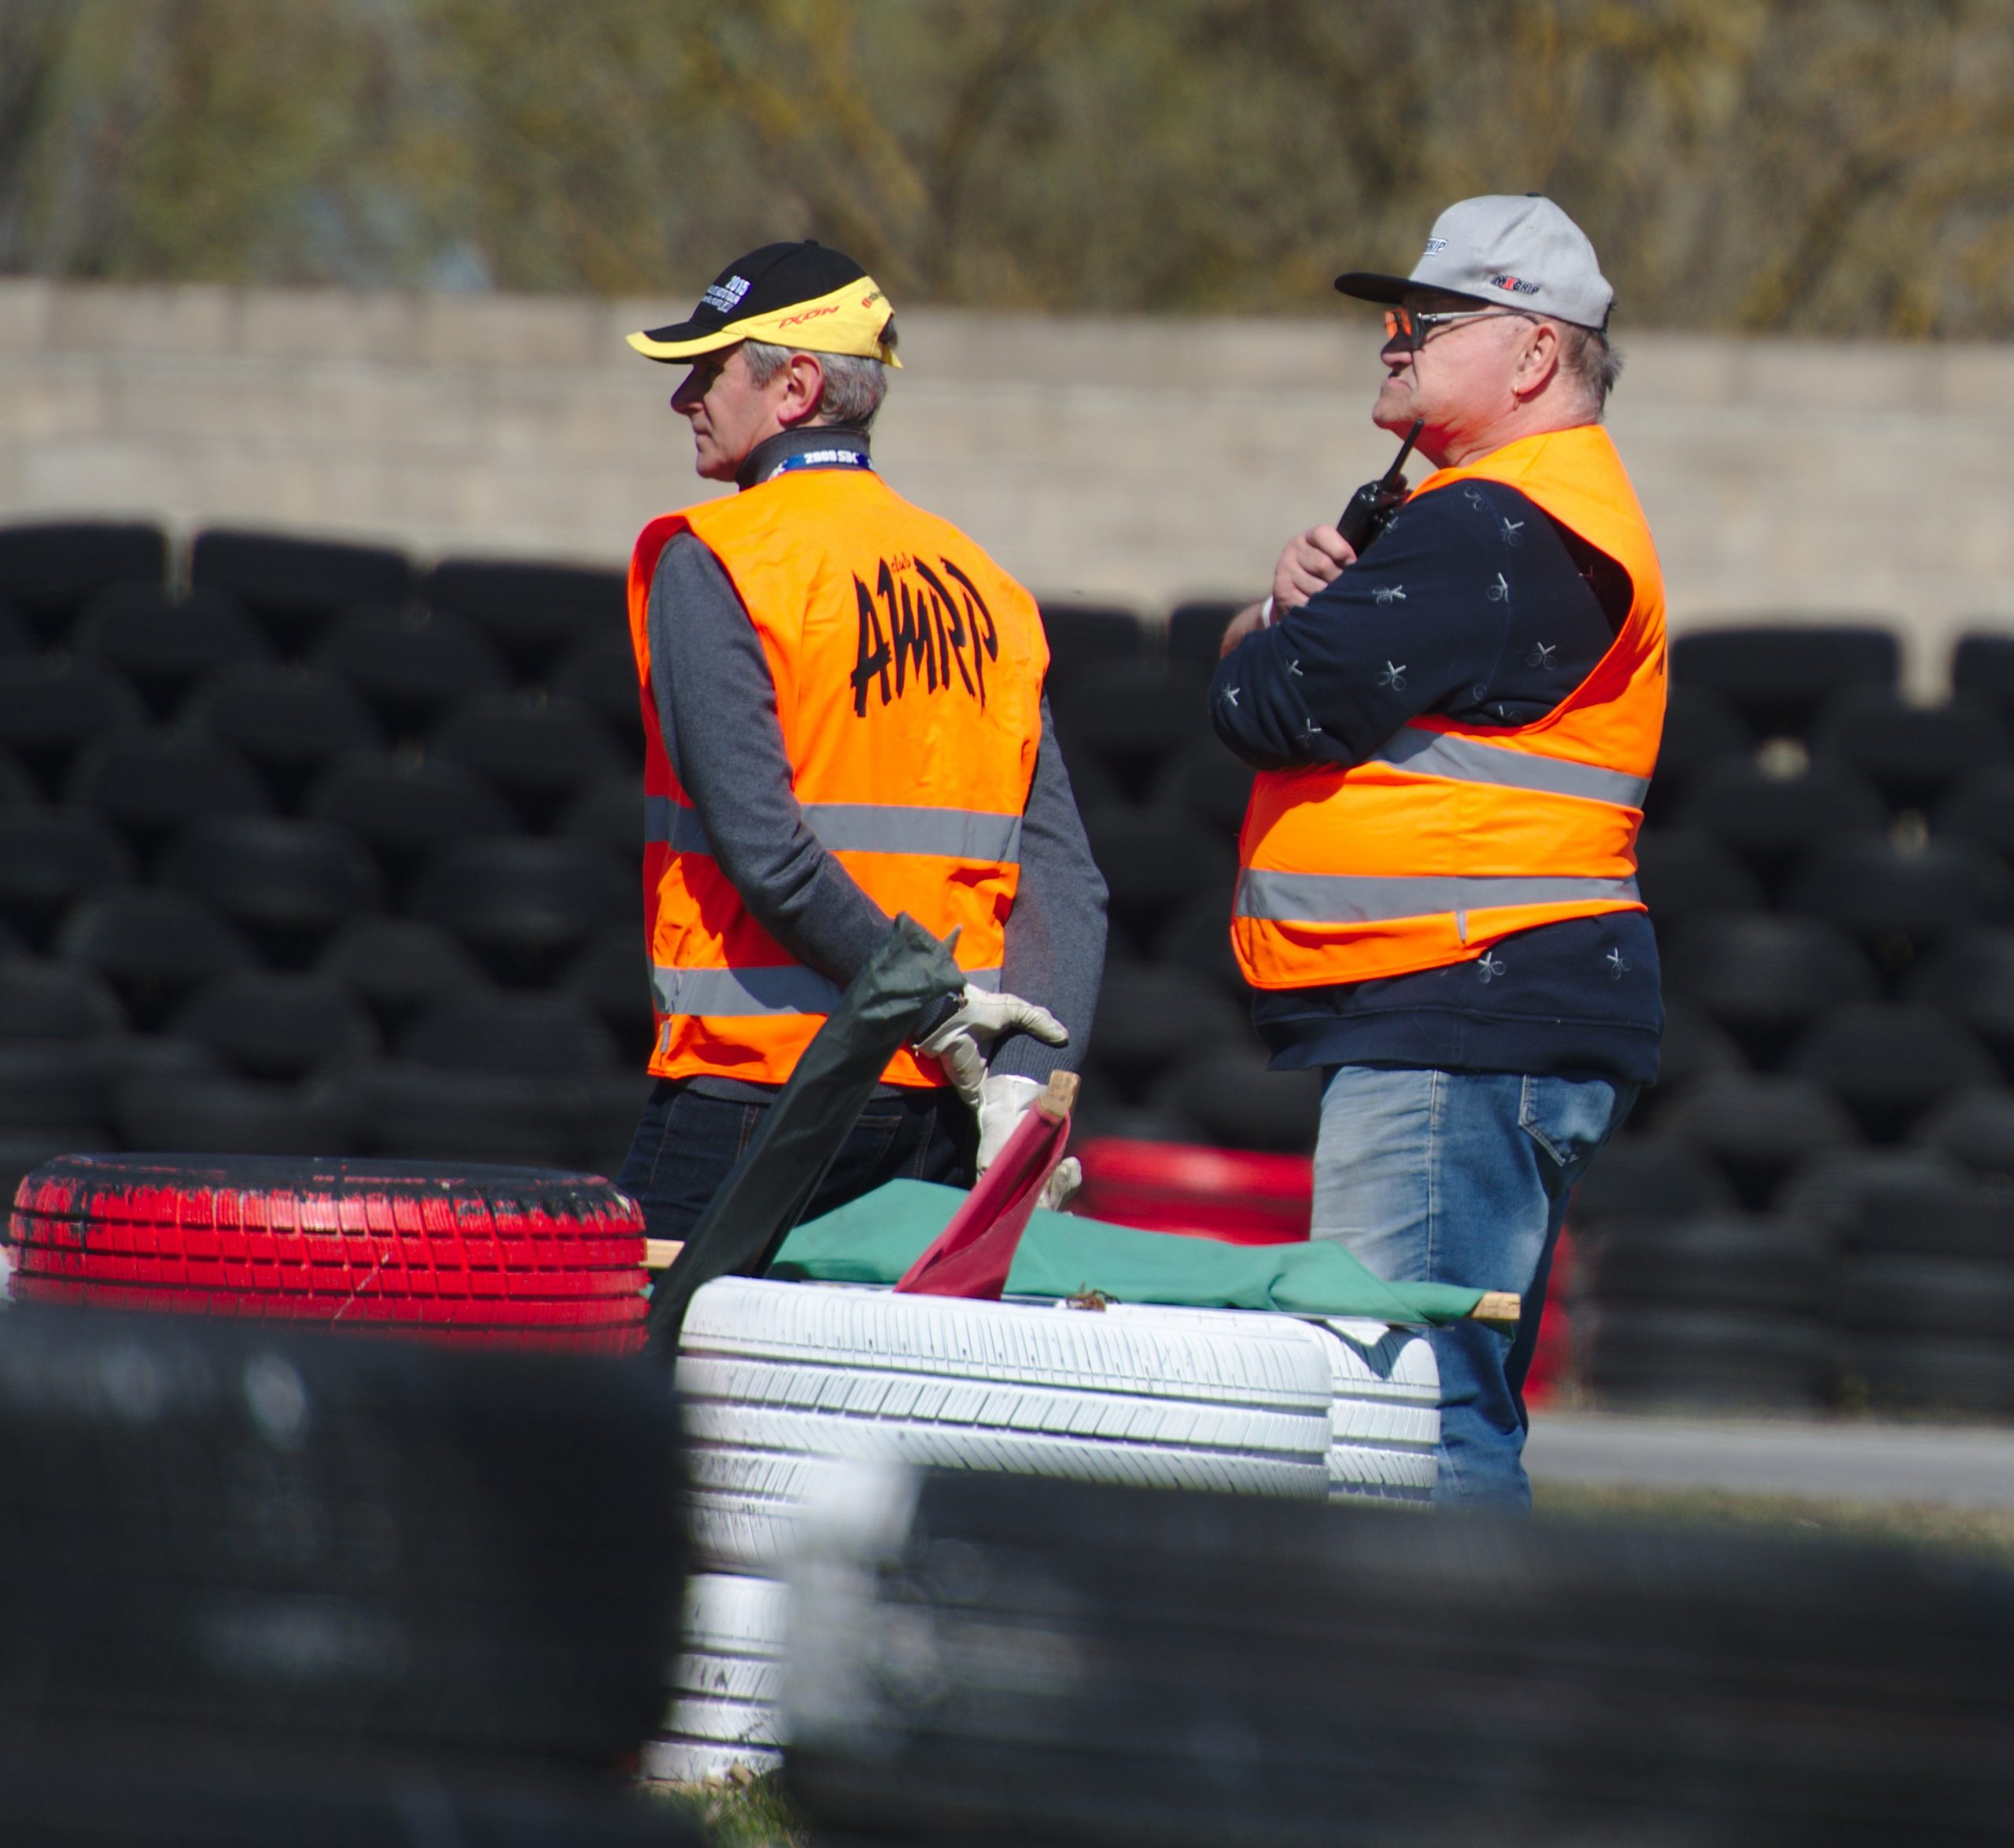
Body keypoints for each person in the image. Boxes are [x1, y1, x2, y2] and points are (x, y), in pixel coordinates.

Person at [1210, 196, 1664, 1510]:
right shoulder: (1510, 517)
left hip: (1461, 1013)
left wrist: (1263, 634)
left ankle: (1450, 1709)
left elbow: (1264, 706)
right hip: (1488, 1009)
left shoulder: (1496, 525)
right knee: (1445, 1409)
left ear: (1532, 355)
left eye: (1429, 319)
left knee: (1405, 1418)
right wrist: (1286, 612)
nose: (1392, 339)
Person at [618, 239, 1106, 1265]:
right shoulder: (989, 586)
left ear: (794, 385)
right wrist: (1019, 1088)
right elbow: (1063, 872)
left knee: (650, 1400)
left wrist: (930, 1009)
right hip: (935, 1115)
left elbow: (770, 854)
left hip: (762, 1087)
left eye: (707, 372)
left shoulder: (720, 559)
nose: (683, 401)